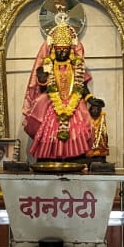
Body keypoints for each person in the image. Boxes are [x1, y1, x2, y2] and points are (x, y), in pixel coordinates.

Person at [21, 17, 94, 164]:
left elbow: (82, 86)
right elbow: (42, 87)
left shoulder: (76, 67)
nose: (61, 53)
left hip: (74, 105)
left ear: (70, 50)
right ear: (53, 50)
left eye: (65, 50)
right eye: (59, 50)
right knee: (48, 132)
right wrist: (42, 77)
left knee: (82, 128)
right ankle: (48, 158)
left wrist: (90, 98)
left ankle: (76, 158)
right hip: (52, 105)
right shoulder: (47, 66)